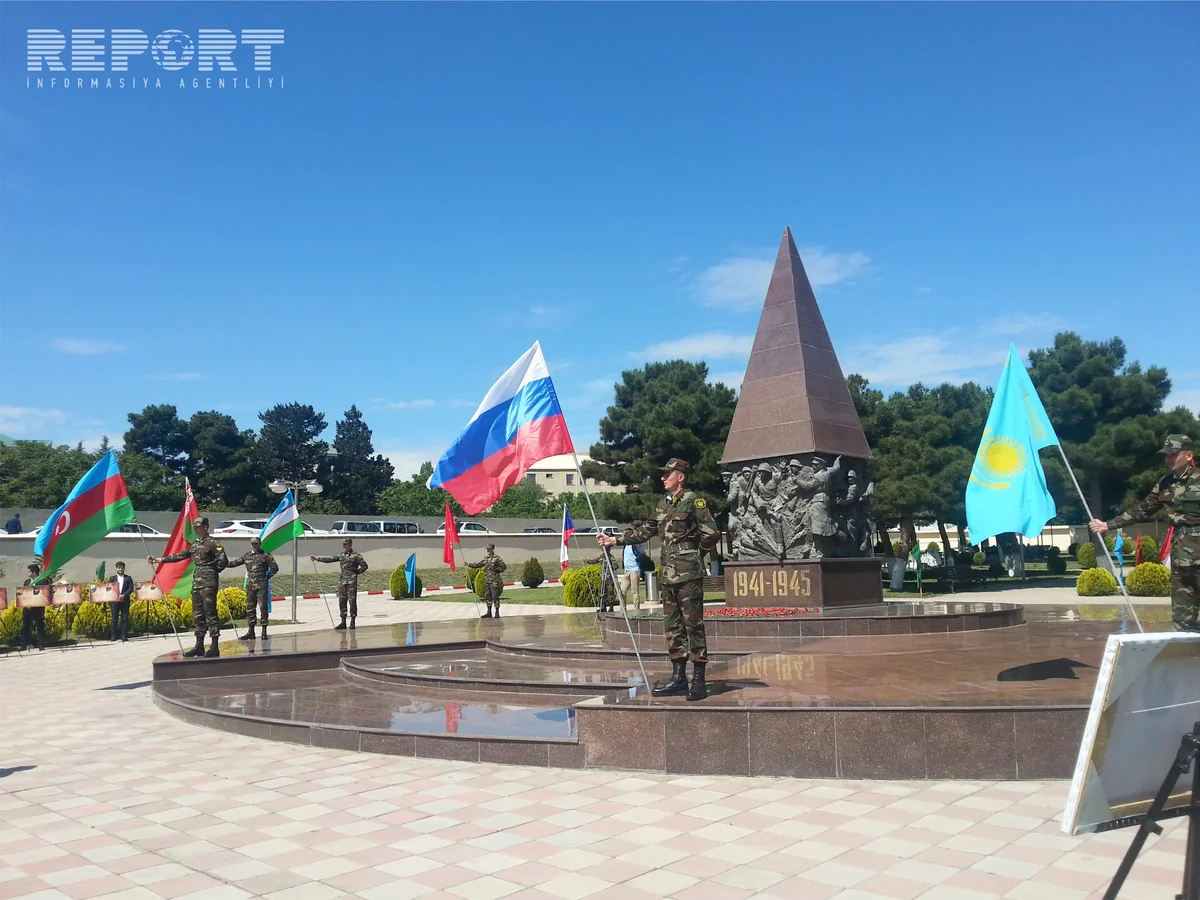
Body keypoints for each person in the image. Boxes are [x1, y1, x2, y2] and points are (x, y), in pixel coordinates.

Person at [598, 458, 722, 701]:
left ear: (681, 477)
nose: (663, 478)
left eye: (668, 474)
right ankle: (678, 678)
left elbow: (712, 533)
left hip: (688, 574)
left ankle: (698, 680)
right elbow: (646, 530)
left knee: (693, 625)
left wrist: (696, 554)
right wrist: (615, 540)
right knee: (673, 627)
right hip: (667, 574)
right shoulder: (664, 504)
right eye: (663, 474)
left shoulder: (693, 501)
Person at [1090, 434, 1200, 631]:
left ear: (1189, 455)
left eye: (1173, 454)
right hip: (1181, 553)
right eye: (1166, 455)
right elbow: (1142, 510)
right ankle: (1184, 644)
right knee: (1182, 612)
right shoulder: (1165, 483)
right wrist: (1108, 525)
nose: (1168, 459)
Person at [149, 516, 228, 658]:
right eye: (195, 527)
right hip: (197, 583)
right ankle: (199, 646)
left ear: (205, 527)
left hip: (208, 583)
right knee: (198, 614)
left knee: (210, 613)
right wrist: (159, 560)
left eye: (199, 527)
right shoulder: (195, 544)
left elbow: (223, 560)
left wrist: (211, 570)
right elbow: (180, 556)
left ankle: (214, 646)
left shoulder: (213, 543)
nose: (197, 530)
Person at [226, 536, 280, 641]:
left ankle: (264, 631)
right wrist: (221, 563)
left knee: (263, 608)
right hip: (250, 586)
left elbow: (275, 567)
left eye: (256, 543)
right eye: (253, 544)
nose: (255, 545)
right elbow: (234, 563)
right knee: (250, 608)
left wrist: (267, 577)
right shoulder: (247, 556)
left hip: (261, 586)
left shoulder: (266, 555)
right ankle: (251, 632)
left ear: (260, 544)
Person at [312, 538, 368, 630]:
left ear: (350, 545)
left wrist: (356, 572)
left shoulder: (356, 555)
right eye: (343, 544)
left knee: (352, 601)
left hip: (351, 582)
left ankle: (352, 621)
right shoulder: (342, 555)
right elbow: (330, 559)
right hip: (343, 582)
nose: (344, 546)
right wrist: (317, 559)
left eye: (346, 544)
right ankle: (343, 622)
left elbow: (364, 566)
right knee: (342, 601)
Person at [466, 543, 507, 618]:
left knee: (495, 596)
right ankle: (489, 612)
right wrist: (469, 564)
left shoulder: (497, 558)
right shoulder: (486, 559)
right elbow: (479, 564)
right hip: (488, 581)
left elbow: (503, 567)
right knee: (488, 596)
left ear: (492, 549)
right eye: (487, 549)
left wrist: (496, 570)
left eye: (489, 549)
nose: (488, 550)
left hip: (494, 581)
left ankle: (497, 612)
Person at [19, 563, 47, 650]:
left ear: (34, 572)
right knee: (26, 626)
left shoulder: (43, 581)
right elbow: (24, 593)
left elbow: (45, 594)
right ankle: (24, 644)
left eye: (29, 572)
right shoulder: (27, 582)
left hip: (38, 608)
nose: (28, 573)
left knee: (40, 626)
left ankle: (41, 644)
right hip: (27, 608)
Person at [583, 545, 617, 612]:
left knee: (610, 593)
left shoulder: (611, 557)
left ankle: (611, 607)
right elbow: (594, 561)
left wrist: (610, 566)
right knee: (603, 592)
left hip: (609, 578)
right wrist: (585, 560)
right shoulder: (602, 556)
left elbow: (616, 566)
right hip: (603, 578)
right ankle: (603, 607)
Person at [108, 561, 134, 642]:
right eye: (119, 568)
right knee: (114, 619)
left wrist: (124, 595)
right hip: (114, 602)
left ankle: (123, 635)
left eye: (122, 568)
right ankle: (113, 636)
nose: (120, 569)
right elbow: (109, 588)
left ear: (124, 568)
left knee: (124, 618)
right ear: (116, 568)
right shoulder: (112, 578)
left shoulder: (128, 578)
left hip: (125, 601)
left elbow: (131, 588)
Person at [620, 539, 647, 612]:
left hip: (635, 570)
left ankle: (636, 610)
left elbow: (643, 553)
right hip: (627, 571)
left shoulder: (636, 545)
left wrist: (639, 561)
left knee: (634, 592)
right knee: (621, 592)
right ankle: (623, 610)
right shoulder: (625, 546)